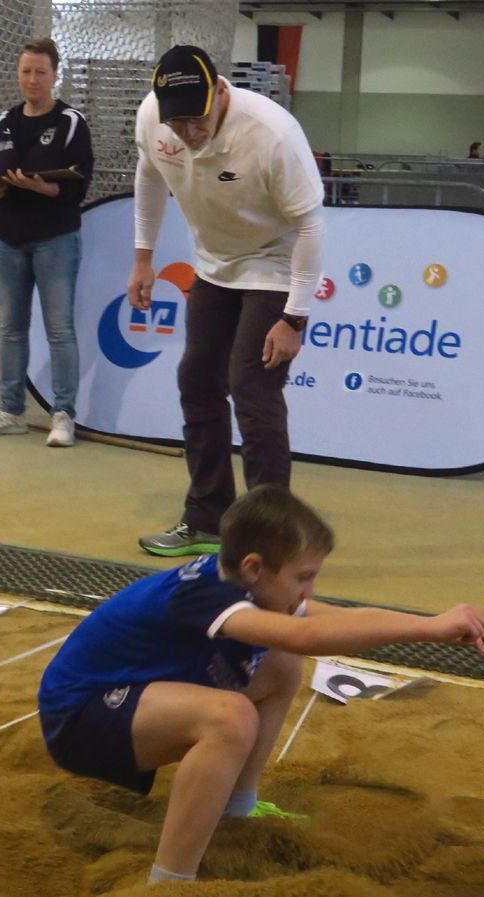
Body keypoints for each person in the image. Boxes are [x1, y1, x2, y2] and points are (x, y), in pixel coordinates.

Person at [37, 485, 484, 885]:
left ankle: (237, 810)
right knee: (229, 718)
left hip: (128, 698)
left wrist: (431, 627)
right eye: (303, 577)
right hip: (79, 719)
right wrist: (429, 627)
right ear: (254, 568)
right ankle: (171, 882)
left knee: (280, 664)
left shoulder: (243, 582)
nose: (309, 592)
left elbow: (334, 620)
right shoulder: (205, 592)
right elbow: (309, 635)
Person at [130, 45, 325, 555]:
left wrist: (294, 318)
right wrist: (143, 257)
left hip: (274, 264)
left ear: (220, 91)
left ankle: (271, 536)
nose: (189, 133)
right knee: (197, 380)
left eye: (197, 120)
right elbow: (150, 175)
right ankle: (207, 517)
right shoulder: (155, 118)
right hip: (214, 265)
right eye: (178, 124)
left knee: (252, 387)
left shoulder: (271, 133)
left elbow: (311, 226)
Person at [0, 36, 94, 447]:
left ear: (54, 75)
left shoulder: (71, 123)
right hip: (9, 238)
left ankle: (64, 415)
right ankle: (10, 410)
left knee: (59, 329)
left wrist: (44, 189)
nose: (32, 79)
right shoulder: (3, 123)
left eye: (41, 72)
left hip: (55, 238)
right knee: (10, 328)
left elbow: (78, 185)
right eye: (26, 71)